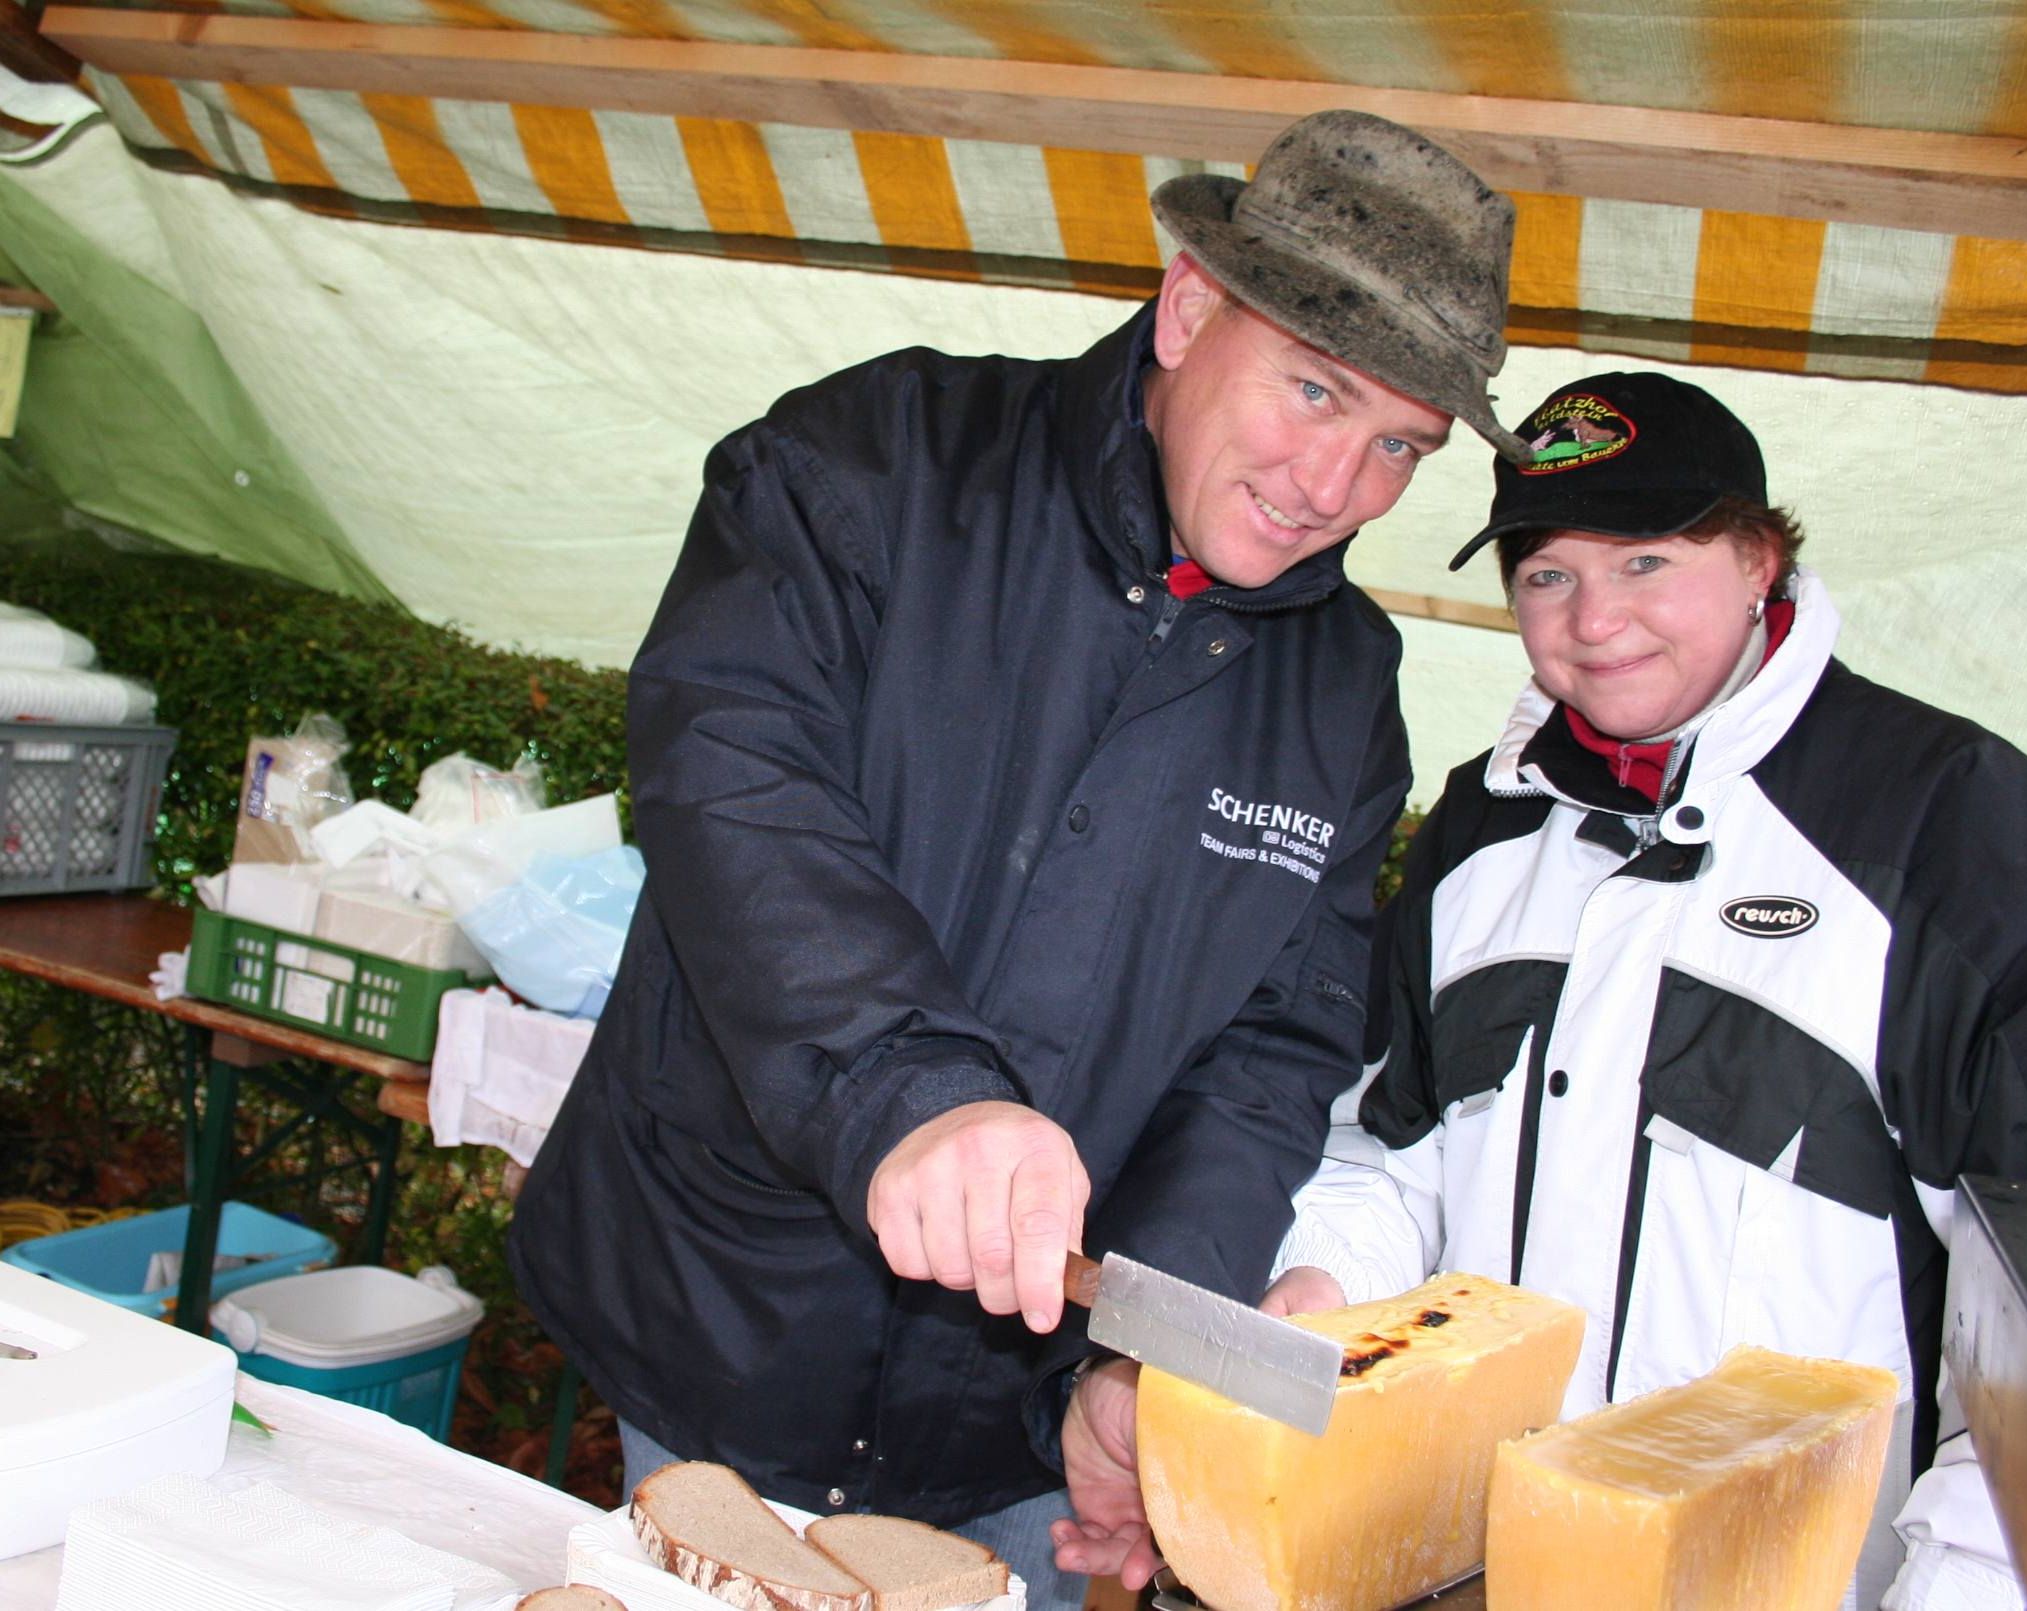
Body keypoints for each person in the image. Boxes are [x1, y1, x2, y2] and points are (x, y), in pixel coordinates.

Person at [507, 109, 1530, 1608]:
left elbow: (1274, 1045)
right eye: (1315, 390)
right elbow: (734, 773)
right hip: (728, 1314)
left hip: (1027, 1427)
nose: (1336, 485)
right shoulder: (872, 465)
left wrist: (1146, 1348)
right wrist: (915, 1090)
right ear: (1189, 308)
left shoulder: (1340, 692)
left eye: (1399, 447)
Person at [1052, 371, 2027, 1609]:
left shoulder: (1960, 828)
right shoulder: (1476, 828)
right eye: (1547, 574)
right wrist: (1320, 1289)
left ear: (1758, 559)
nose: (1593, 618)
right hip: (1467, 1565)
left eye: (1644, 561)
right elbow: (1393, 1147)